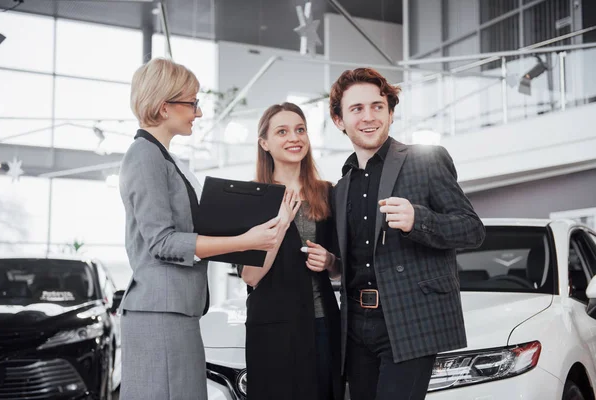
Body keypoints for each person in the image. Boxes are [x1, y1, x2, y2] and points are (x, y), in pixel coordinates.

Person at [118, 58, 280, 400]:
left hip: (176, 310)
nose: (199, 112)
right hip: (159, 312)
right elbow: (162, 242)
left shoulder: (163, 157)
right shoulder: (144, 156)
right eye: (192, 103)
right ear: (164, 107)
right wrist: (242, 240)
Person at [328, 68, 486, 400]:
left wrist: (419, 220)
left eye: (377, 106)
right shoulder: (341, 187)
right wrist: (331, 262)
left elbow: (472, 230)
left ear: (390, 113)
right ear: (339, 120)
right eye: (357, 109)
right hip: (354, 324)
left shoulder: (424, 161)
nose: (369, 116)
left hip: (409, 319)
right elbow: (355, 260)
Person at [239, 102, 343, 400]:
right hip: (274, 327)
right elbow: (251, 276)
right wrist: (282, 224)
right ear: (265, 143)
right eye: (282, 131)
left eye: (300, 130)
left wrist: (330, 261)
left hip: (322, 322)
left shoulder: (327, 192)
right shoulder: (253, 196)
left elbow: (341, 266)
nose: (294, 138)